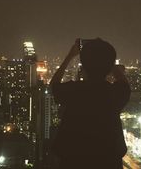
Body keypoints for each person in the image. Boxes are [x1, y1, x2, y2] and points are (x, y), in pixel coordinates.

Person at [50, 38, 131, 169]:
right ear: (109, 65)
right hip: (109, 161)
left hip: (73, 160)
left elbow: (54, 85)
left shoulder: (75, 91)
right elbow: (123, 83)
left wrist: (70, 56)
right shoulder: (114, 93)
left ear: (84, 64)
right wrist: (109, 62)